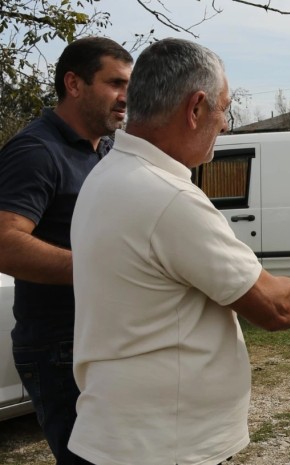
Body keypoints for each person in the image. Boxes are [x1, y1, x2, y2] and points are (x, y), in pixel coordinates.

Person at [67, 38, 290, 465]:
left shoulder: (108, 175)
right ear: (196, 109)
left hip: (124, 435)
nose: (227, 125)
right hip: (163, 445)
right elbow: (276, 308)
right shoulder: (167, 196)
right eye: (224, 109)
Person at [0, 36, 132, 465]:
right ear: (73, 84)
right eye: (115, 83)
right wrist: (99, 270)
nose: (125, 97)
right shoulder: (36, 150)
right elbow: (5, 242)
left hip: (104, 338)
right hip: (60, 346)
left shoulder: (108, 151)